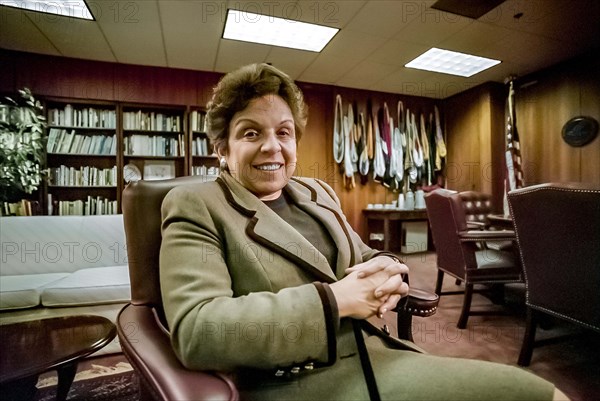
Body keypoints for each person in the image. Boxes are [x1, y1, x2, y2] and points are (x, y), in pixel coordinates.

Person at [159, 63, 564, 400]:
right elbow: (199, 331)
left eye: (283, 132)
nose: (272, 146)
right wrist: (335, 301)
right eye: (251, 133)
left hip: (382, 353)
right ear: (222, 149)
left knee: (543, 394)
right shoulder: (197, 205)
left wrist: (389, 268)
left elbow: (363, 255)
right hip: (305, 383)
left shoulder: (315, 192)